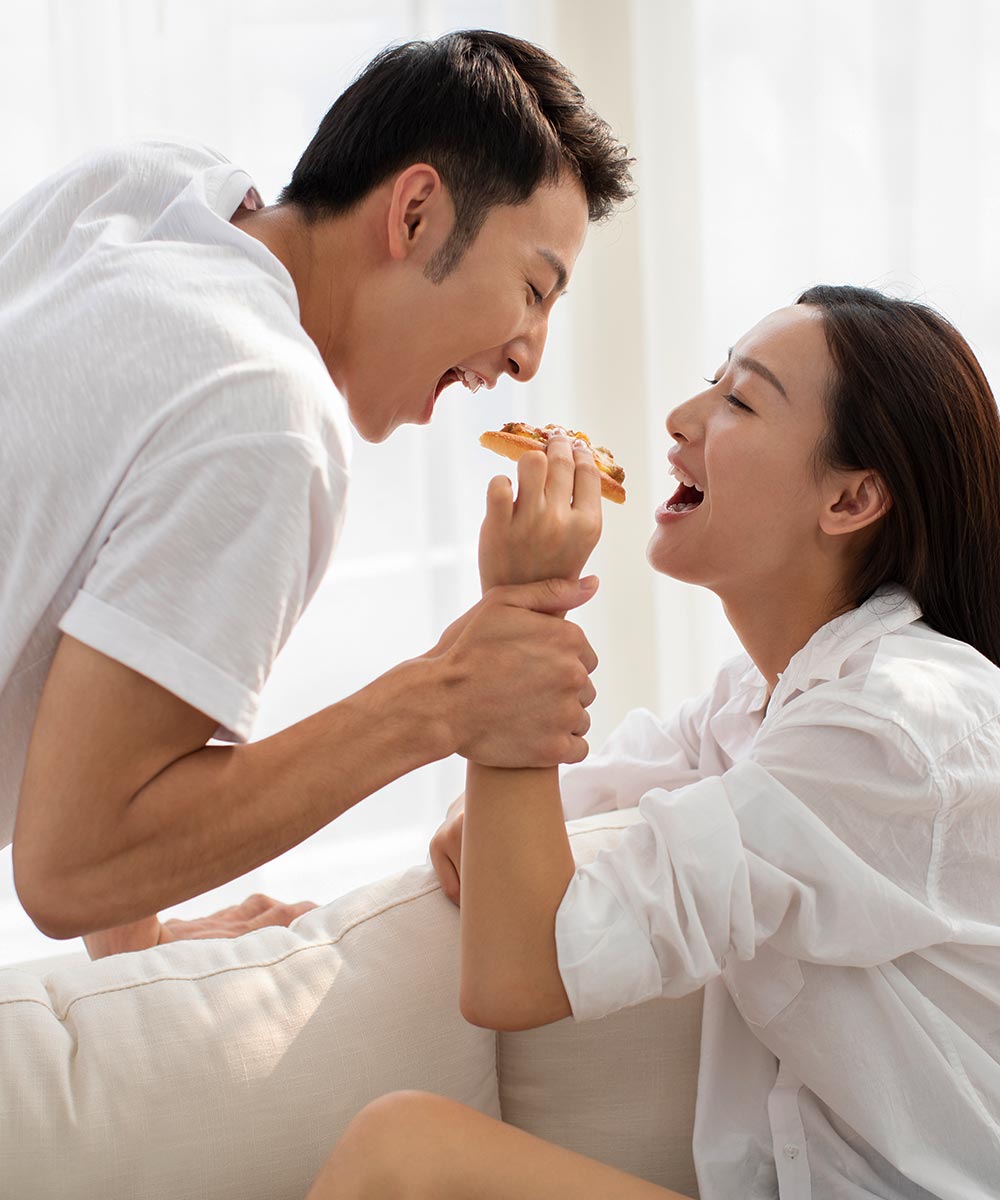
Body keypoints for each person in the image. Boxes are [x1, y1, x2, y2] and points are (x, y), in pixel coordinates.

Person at [308, 286, 1000, 1198]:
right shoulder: (759, 703)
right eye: (712, 381)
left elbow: (518, 975)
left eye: (739, 400)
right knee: (402, 1147)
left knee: (405, 1152)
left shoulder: (892, 725)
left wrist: (524, 609)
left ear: (851, 497)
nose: (680, 417)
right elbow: (547, 814)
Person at [0, 31, 634, 959]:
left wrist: (139, 950)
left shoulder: (150, 189)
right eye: (535, 290)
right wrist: (443, 698)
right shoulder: (267, 414)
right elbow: (66, 871)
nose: (528, 355)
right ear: (415, 212)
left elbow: (89, 622)